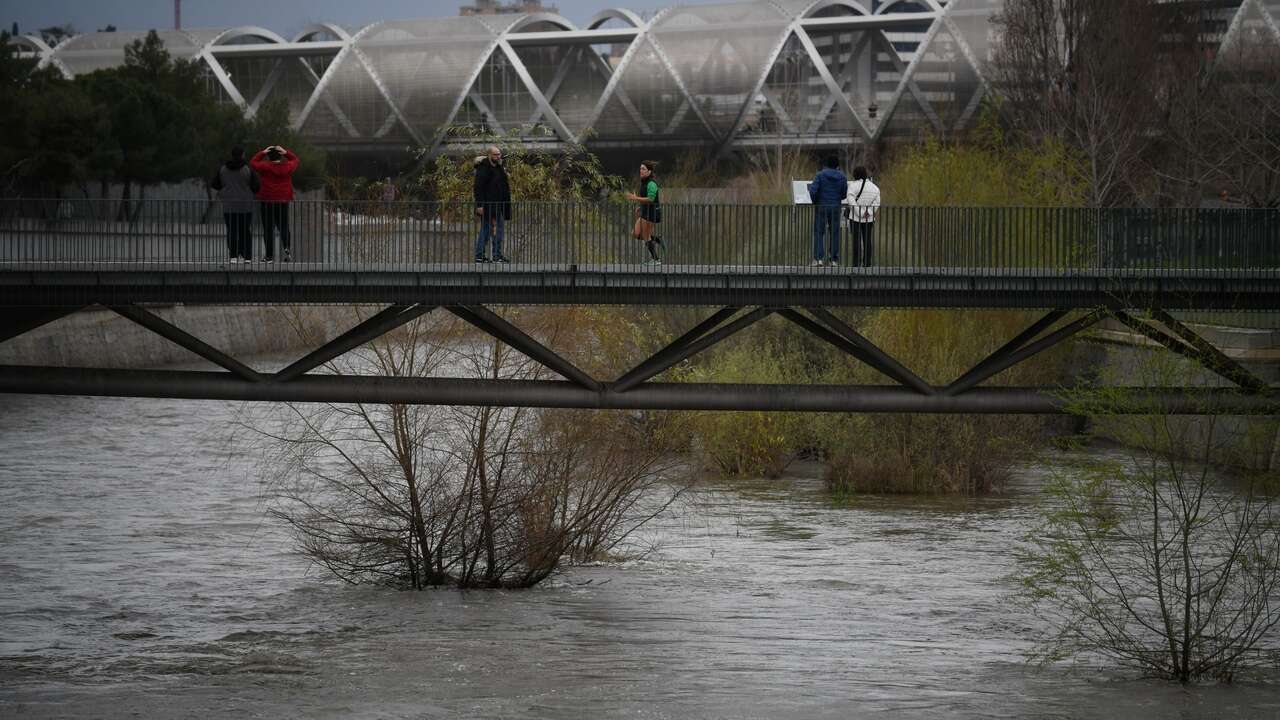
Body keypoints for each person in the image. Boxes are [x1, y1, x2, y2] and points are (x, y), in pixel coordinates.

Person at [209, 146, 259, 263]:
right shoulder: (247, 169)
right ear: (242, 155)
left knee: (232, 230)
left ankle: (233, 256)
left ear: (232, 155)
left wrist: (225, 191)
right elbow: (256, 186)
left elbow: (215, 184)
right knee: (245, 231)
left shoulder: (223, 170)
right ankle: (247, 256)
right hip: (245, 206)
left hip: (229, 206)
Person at [251, 144, 300, 263]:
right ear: (280, 156)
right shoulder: (287, 166)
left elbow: (253, 162)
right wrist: (285, 152)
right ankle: (287, 249)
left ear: (268, 157)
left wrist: (262, 152)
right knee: (283, 226)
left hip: (267, 201)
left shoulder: (264, 167)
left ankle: (269, 256)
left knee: (268, 228)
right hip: (283, 200)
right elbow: (296, 160)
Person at [473, 145, 511, 264]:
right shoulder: (483, 168)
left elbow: (503, 185)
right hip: (488, 205)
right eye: (495, 154)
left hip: (498, 205)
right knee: (487, 230)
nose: (498, 156)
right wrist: (479, 205)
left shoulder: (499, 168)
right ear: (489, 155)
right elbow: (478, 188)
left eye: (499, 154)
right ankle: (481, 256)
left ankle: (496, 256)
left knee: (497, 231)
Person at [808, 156, 848, 266]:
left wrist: (815, 201)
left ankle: (818, 258)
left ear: (826, 164)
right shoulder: (842, 177)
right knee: (835, 233)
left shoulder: (820, 175)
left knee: (819, 232)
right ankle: (833, 260)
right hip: (835, 207)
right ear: (837, 166)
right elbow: (844, 193)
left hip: (821, 206)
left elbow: (813, 191)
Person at [626, 160, 663, 265]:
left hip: (652, 213)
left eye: (643, 169)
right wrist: (640, 206)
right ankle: (657, 239)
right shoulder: (643, 182)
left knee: (646, 236)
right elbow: (644, 199)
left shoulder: (651, 183)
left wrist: (635, 198)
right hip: (645, 211)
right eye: (640, 169)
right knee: (635, 234)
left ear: (649, 172)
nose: (641, 171)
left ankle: (656, 259)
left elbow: (651, 199)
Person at [845, 166, 881, 268]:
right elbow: (877, 202)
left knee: (856, 241)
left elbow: (850, 200)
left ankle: (856, 264)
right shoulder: (875, 188)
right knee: (867, 241)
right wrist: (868, 212)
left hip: (855, 218)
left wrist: (859, 213)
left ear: (855, 174)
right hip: (869, 219)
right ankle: (867, 263)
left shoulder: (853, 186)